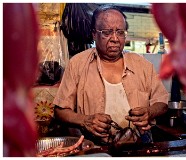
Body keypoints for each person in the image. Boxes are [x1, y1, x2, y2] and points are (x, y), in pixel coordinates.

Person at [53, 4, 169, 145]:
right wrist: (85, 120)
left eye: (120, 32)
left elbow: (162, 103)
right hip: (94, 146)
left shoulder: (142, 65)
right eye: (107, 32)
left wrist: (149, 112)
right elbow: (60, 111)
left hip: (139, 144)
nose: (115, 38)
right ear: (94, 34)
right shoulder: (77, 64)